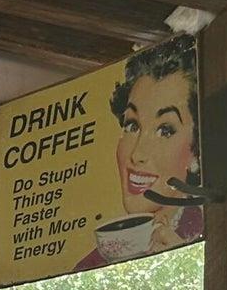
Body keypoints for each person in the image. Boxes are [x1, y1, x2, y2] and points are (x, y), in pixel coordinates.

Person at [76, 36, 203, 269]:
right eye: (132, 126)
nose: (137, 154)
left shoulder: (210, 233)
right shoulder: (88, 266)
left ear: (196, 149)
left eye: (165, 130)